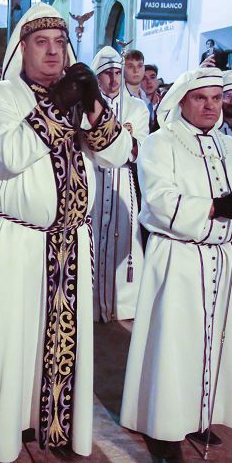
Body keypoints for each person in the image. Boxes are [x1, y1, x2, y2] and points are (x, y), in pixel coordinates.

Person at [0, 4, 132, 459]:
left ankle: (51, 425)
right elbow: (12, 154)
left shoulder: (77, 95)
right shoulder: (1, 96)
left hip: (70, 243)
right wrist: (57, 107)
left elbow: (117, 155)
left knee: (59, 347)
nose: (53, 51)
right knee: (9, 341)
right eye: (42, 42)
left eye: (60, 42)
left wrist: (93, 101)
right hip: (19, 237)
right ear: (22, 48)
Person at [120, 67, 232, 456]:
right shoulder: (160, 143)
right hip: (179, 257)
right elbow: (161, 201)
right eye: (201, 98)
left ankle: (201, 416)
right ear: (182, 100)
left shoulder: (231, 146)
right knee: (175, 343)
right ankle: (164, 425)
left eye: (217, 98)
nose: (212, 106)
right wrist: (217, 207)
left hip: (222, 258)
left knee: (215, 343)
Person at [89, 46, 148, 322]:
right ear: (97, 78)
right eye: (106, 74)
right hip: (95, 181)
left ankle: (122, 303)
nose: (113, 79)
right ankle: (91, 301)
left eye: (116, 72)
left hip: (123, 180)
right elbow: (91, 147)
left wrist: (113, 146)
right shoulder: (87, 105)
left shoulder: (137, 107)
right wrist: (117, 142)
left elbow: (137, 151)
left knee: (124, 235)